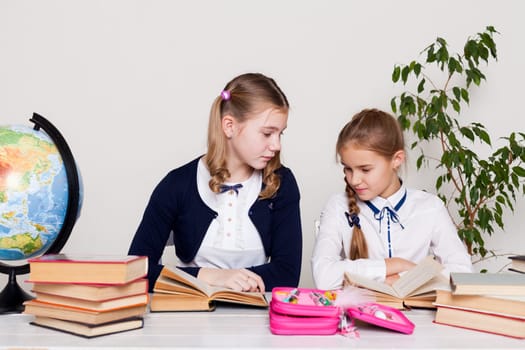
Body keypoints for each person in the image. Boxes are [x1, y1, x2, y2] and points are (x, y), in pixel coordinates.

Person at [128, 73, 302, 293]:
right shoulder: (177, 185)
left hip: (258, 322)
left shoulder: (281, 184)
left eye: (280, 134)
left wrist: (234, 281)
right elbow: (137, 270)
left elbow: (287, 274)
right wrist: (209, 276)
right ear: (229, 126)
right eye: (267, 133)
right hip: (190, 318)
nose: (276, 145)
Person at [311, 108, 472, 290]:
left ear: (397, 159)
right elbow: (323, 276)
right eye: (348, 169)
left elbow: (462, 273)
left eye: (365, 169)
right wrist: (394, 265)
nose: (354, 180)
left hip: (418, 317)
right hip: (360, 314)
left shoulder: (430, 207)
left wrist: (398, 278)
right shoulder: (338, 206)